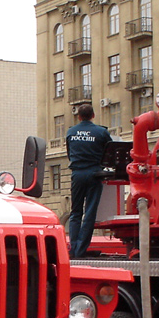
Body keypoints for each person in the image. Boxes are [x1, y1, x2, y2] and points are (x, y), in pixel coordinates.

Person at [65, 104, 113, 258]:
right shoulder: (101, 132)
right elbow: (111, 152)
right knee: (90, 212)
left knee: (75, 212)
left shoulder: (71, 132)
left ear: (78, 117)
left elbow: (69, 154)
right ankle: (80, 250)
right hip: (94, 174)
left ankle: (73, 249)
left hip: (77, 174)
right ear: (93, 115)